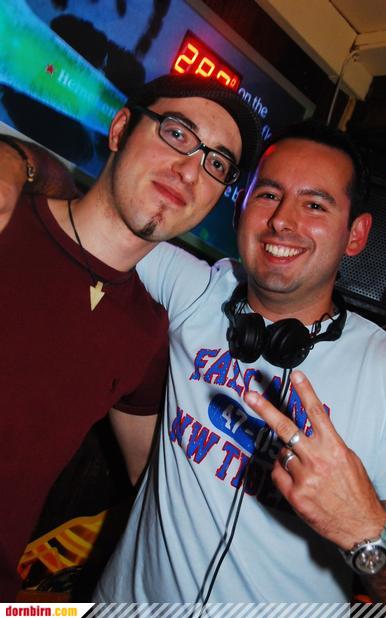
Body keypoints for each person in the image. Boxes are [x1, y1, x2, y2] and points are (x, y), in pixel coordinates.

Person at [94, 121, 386, 603]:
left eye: (314, 205)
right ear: (240, 208)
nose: (282, 220)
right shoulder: (196, 291)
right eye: (268, 195)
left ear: (356, 234)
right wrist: (23, 165)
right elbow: (87, 216)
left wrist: (365, 528)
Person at [0, 74, 263, 600]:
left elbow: (154, 480)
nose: (190, 170)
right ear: (120, 128)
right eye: (177, 134)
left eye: (216, 164)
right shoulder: (6, 218)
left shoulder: (146, 332)